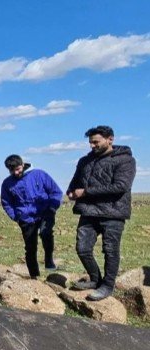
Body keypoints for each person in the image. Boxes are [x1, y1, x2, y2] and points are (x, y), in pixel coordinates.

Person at [66, 126, 136, 301]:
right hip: (88, 211)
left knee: (110, 250)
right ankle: (95, 279)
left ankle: (107, 285)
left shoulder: (125, 160)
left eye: (96, 142)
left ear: (110, 139)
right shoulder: (85, 161)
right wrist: (71, 191)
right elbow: (75, 181)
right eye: (90, 142)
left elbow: (121, 186)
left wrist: (85, 192)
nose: (92, 145)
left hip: (113, 212)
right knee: (82, 248)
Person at [0, 155, 63, 279]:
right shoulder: (7, 183)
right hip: (25, 218)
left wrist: (52, 208)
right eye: (13, 171)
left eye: (18, 169)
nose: (16, 172)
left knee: (46, 234)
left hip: (45, 212)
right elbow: (6, 202)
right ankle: (34, 277)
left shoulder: (39, 174)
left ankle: (48, 259)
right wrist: (16, 216)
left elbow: (56, 192)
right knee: (30, 248)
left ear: (22, 164)